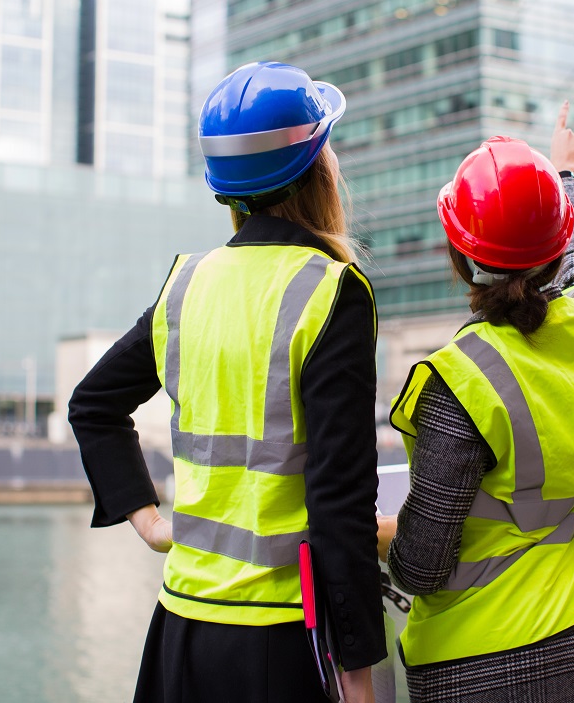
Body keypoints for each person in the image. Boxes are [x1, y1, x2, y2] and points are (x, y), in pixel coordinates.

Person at [69, 61, 385, 703]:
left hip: (180, 630)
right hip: (280, 638)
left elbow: (93, 405)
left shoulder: (186, 285)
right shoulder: (331, 292)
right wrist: (357, 670)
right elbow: (339, 499)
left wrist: (152, 523)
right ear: (318, 166)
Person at [376, 103, 574, 703]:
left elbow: (421, 566)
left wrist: (376, 535)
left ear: (458, 258)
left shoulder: (462, 380)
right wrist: (567, 177)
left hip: (481, 664)